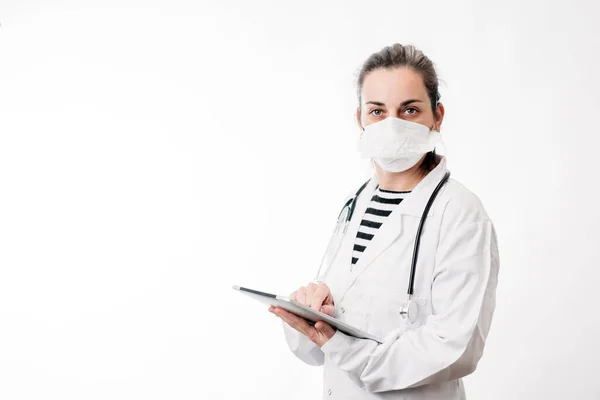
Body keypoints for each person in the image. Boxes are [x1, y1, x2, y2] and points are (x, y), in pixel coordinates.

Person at [269, 43, 500, 399]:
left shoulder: (461, 214)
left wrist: (342, 347)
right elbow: (335, 331)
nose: (391, 125)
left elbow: (455, 346)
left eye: (409, 110)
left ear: (437, 116)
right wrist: (313, 312)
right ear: (359, 119)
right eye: (377, 111)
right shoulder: (356, 201)